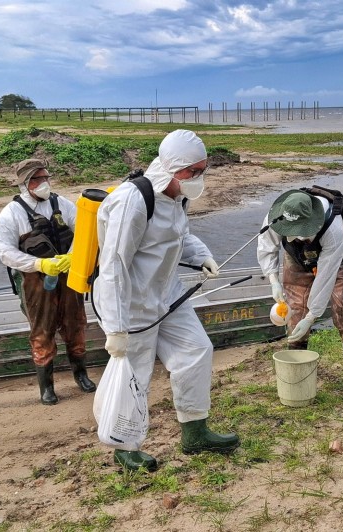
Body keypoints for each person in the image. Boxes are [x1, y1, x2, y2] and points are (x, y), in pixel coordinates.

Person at [94, 129, 239, 472]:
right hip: (134, 304)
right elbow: (113, 265)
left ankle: (195, 431)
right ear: (174, 168)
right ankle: (125, 448)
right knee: (136, 374)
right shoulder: (133, 200)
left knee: (196, 350)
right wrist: (115, 328)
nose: (199, 177)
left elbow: (179, 235)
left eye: (203, 170)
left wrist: (202, 256)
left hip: (168, 293)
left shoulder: (178, 196)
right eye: (193, 172)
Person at [0, 158, 97, 405]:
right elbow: (5, 251)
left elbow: (83, 230)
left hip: (69, 277)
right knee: (42, 333)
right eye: (38, 179)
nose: (44, 183)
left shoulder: (61, 204)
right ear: (26, 183)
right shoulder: (11, 214)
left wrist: (72, 256)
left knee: (76, 326)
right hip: (36, 284)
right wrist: (40, 264)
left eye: (46, 177)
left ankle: (81, 375)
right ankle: (47, 388)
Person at [256, 186, 343, 391]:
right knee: (295, 311)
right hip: (297, 259)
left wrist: (312, 316)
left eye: (301, 233)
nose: (297, 237)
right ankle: (296, 372)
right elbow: (266, 247)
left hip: (339, 260)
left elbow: (325, 277)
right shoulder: (274, 218)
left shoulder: (332, 228)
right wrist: (273, 281)